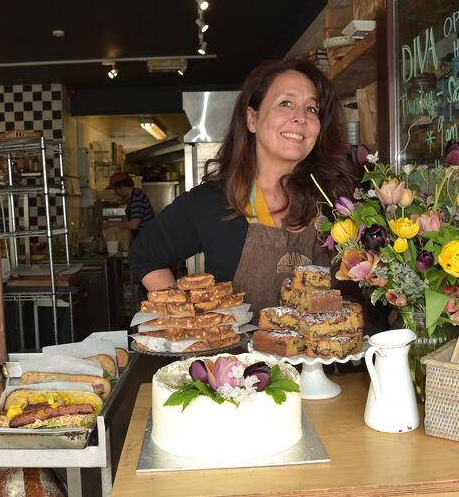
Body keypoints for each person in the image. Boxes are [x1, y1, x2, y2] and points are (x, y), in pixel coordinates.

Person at [129, 58, 359, 312]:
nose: (300, 118)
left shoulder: (339, 202)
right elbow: (145, 255)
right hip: (238, 353)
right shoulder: (211, 202)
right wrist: (188, 319)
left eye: (311, 109)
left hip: (330, 351)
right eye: (286, 103)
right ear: (252, 119)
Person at [101, 172, 155, 239]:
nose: (115, 193)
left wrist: (113, 223)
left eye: (115, 189)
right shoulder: (132, 197)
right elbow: (127, 220)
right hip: (142, 239)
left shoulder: (137, 198)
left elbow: (134, 225)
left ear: (121, 186)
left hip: (147, 239)